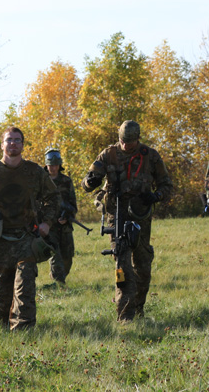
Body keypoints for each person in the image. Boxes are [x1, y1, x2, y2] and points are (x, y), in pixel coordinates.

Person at [81, 120, 173, 321]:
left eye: (129, 142)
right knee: (122, 266)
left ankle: (138, 307)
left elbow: (166, 185)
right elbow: (86, 183)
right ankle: (125, 316)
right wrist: (91, 181)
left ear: (138, 139)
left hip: (141, 216)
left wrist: (155, 196)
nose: (125, 145)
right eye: (122, 141)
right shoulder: (108, 154)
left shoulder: (151, 156)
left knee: (142, 266)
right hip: (117, 216)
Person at [0, 126, 59, 330]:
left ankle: (24, 332)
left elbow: (53, 197)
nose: (13, 143)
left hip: (26, 238)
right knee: (1, 297)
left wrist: (46, 223)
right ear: (2, 145)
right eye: (9, 140)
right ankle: (5, 324)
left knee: (25, 289)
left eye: (17, 140)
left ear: (22, 144)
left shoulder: (34, 172)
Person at [44, 149, 77, 284]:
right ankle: (59, 285)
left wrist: (67, 216)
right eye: (51, 165)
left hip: (65, 225)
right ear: (46, 165)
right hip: (49, 225)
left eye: (56, 165)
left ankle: (59, 277)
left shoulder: (66, 181)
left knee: (67, 257)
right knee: (55, 256)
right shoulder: (41, 180)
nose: (53, 168)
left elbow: (73, 204)